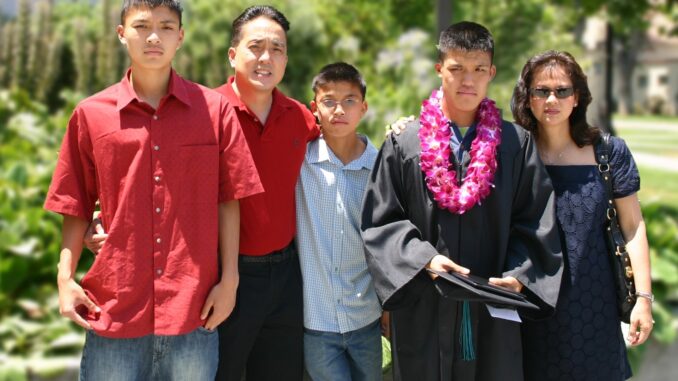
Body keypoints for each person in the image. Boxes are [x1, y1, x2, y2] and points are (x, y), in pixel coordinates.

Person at [43, 0, 263, 379]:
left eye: (165, 26)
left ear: (180, 36)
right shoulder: (91, 114)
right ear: (121, 34)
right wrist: (64, 279)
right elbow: (74, 203)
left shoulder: (214, 112)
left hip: (193, 312)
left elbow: (229, 201)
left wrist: (230, 281)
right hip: (115, 310)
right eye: (141, 26)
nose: (153, 36)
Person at [360, 21, 563, 381]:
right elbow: (381, 220)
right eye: (457, 68)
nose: (468, 80)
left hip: (492, 303)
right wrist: (424, 258)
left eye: (478, 70)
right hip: (427, 302)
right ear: (440, 69)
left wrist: (521, 275)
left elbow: (536, 218)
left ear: (492, 73)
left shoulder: (515, 145)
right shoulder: (405, 142)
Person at [511, 50, 654, 381]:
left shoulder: (608, 152)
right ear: (527, 97)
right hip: (532, 306)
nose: (552, 99)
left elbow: (633, 228)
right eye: (541, 91)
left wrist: (643, 300)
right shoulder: (513, 152)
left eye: (562, 90)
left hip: (595, 306)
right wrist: (406, 127)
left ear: (577, 98)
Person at [212, 6, 319, 381]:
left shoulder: (300, 117)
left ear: (286, 59)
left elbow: (344, 145)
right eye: (255, 47)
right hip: (224, 275)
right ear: (233, 54)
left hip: (287, 275)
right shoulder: (206, 113)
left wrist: (397, 129)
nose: (265, 58)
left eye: (277, 49)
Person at [296, 62, 383, 381]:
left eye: (349, 100)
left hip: (366, 319)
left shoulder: (380, 168)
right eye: (328, 100)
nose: (339, 110)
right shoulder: (300, 163)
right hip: (316, 322)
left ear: (363, 108)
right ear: (314, 108)